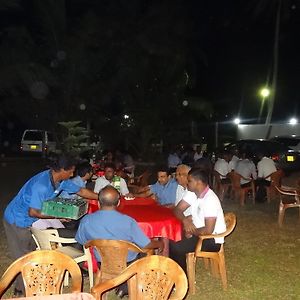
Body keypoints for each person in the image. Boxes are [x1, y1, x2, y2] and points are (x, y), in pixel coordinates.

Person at [3, 154, 98, 296]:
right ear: (62, 170)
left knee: (30, 252)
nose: (73, 174)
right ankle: (22, 291)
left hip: (28, 220)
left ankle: (24, 287)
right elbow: (33, 212)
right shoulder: (42, 185)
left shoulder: (61, 180)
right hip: (17, 220)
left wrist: (101, 197)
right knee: (23, 258)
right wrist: (57, 216)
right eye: (71, 170)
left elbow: (81, 191)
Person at [75, 186, 164, 297]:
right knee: (144, 252)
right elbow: (146, 244)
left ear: (98, 203)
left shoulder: (86, 220)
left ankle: (122, 286)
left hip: (103, 263)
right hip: (128, 265)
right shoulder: (127, 221)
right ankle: (126, 285)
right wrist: (160, 243)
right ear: (118, 204)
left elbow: (82, 241)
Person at [170, 168, 226, 273]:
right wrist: (186, 221)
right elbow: (177, 209)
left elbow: (208, 230)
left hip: (211, 239)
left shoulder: (210, 199)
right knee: (172, 236)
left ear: (198, 183)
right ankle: (174, 274)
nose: (187, 183)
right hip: (198, 232)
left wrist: (190, 231)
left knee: (177, 246)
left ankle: (182, 280)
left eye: (190, 181)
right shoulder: (193, 193)